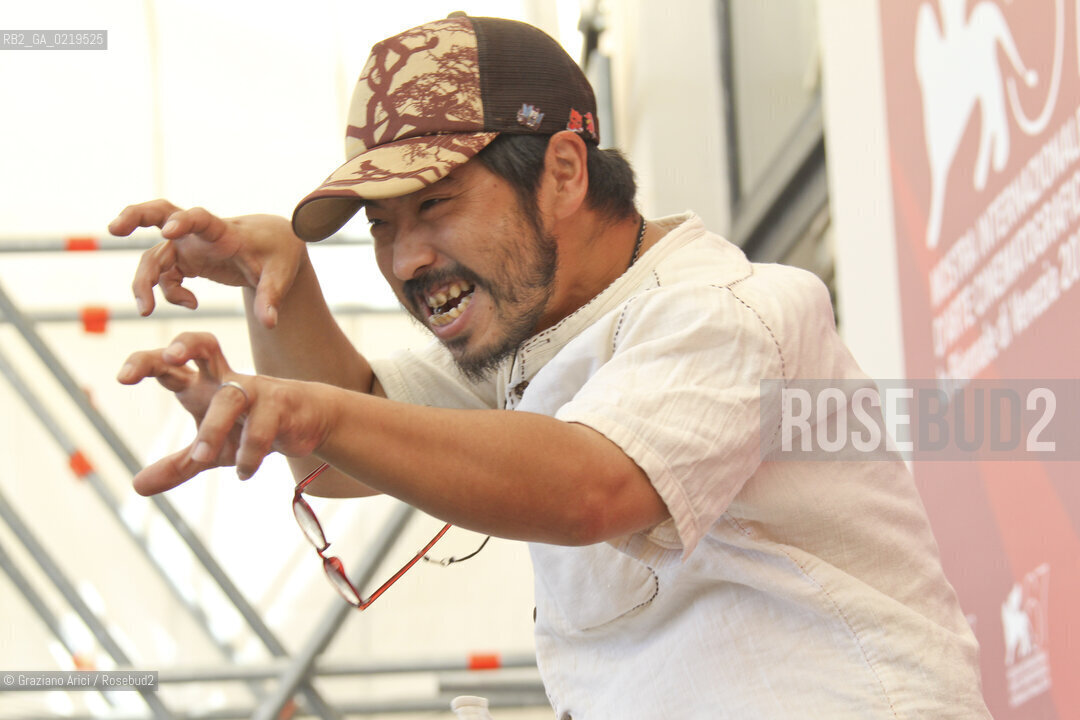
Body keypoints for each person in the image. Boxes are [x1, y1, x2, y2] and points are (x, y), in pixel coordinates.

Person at [110, 14, 991, 719]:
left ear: (563, 173)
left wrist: (309, 412)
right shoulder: (530, 337)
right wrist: (284, 287)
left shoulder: (726, 311)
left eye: (436, 204)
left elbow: (587, 487)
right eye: (381, 228)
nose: (407, 257)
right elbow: (344, 452)